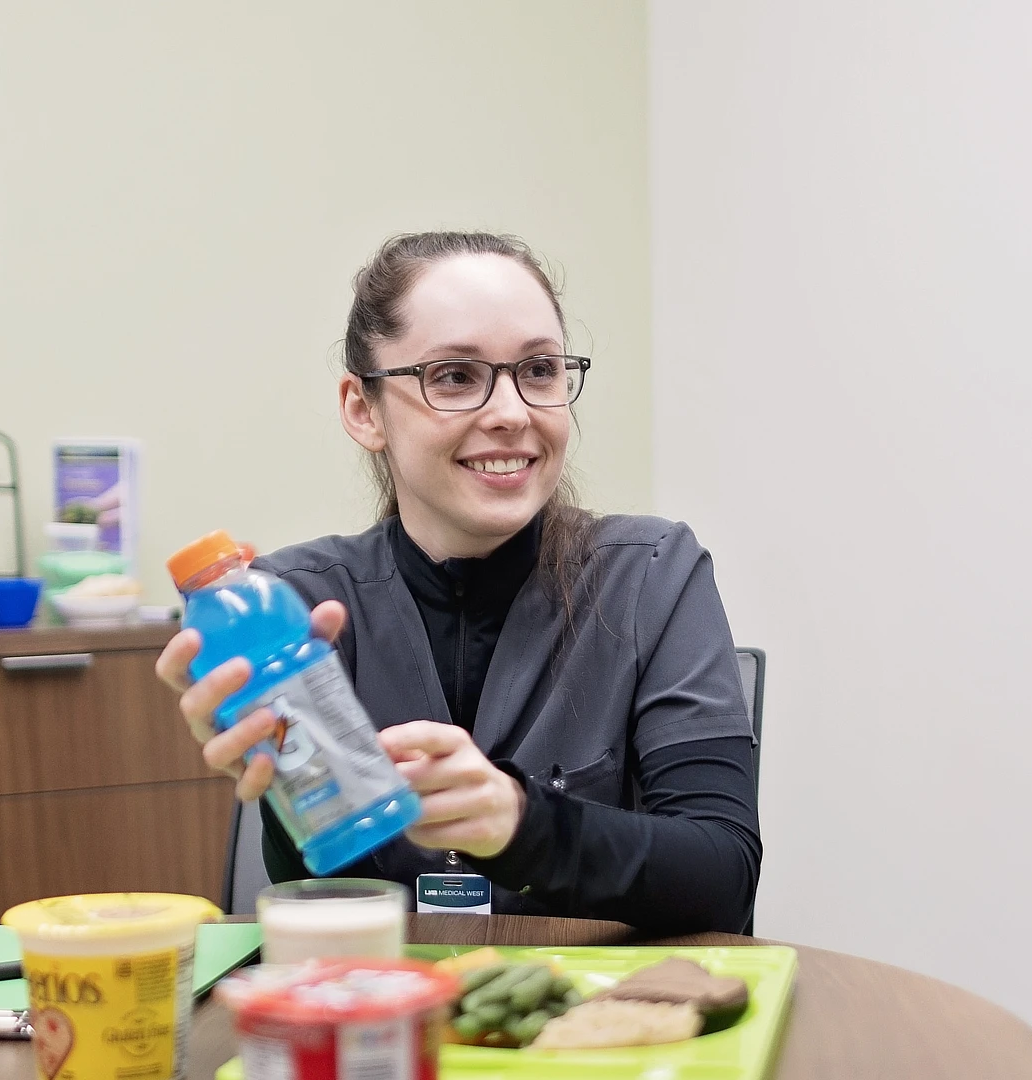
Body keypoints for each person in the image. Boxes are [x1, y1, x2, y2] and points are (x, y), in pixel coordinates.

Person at [156, 231, 761, 933]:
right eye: (454, 377)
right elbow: (313, 914)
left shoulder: (653, 575)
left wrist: (522, 824)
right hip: (382, 1013)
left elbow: (722, 876)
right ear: (363, 409)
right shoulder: (296, 607)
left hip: (597, 1022)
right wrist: (292, 785)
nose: (510, 412)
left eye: (538, 370)